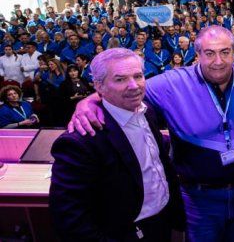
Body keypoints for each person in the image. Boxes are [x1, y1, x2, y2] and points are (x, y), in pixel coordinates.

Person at [68, 26, 234, 242]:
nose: (218, 61)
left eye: (225, 52)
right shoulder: (172, 83)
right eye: (209, 53)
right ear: (197, 55)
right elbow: (130, 89)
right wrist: (89, 100)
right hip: (198, 197)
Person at [49, 48, 182, 241]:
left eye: (138, 76)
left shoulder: (147, 112)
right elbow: (68, 216)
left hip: (161, 223)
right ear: (99, 86)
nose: (134, 86)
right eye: (120, 79)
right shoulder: (81, 140)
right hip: (123, 233)